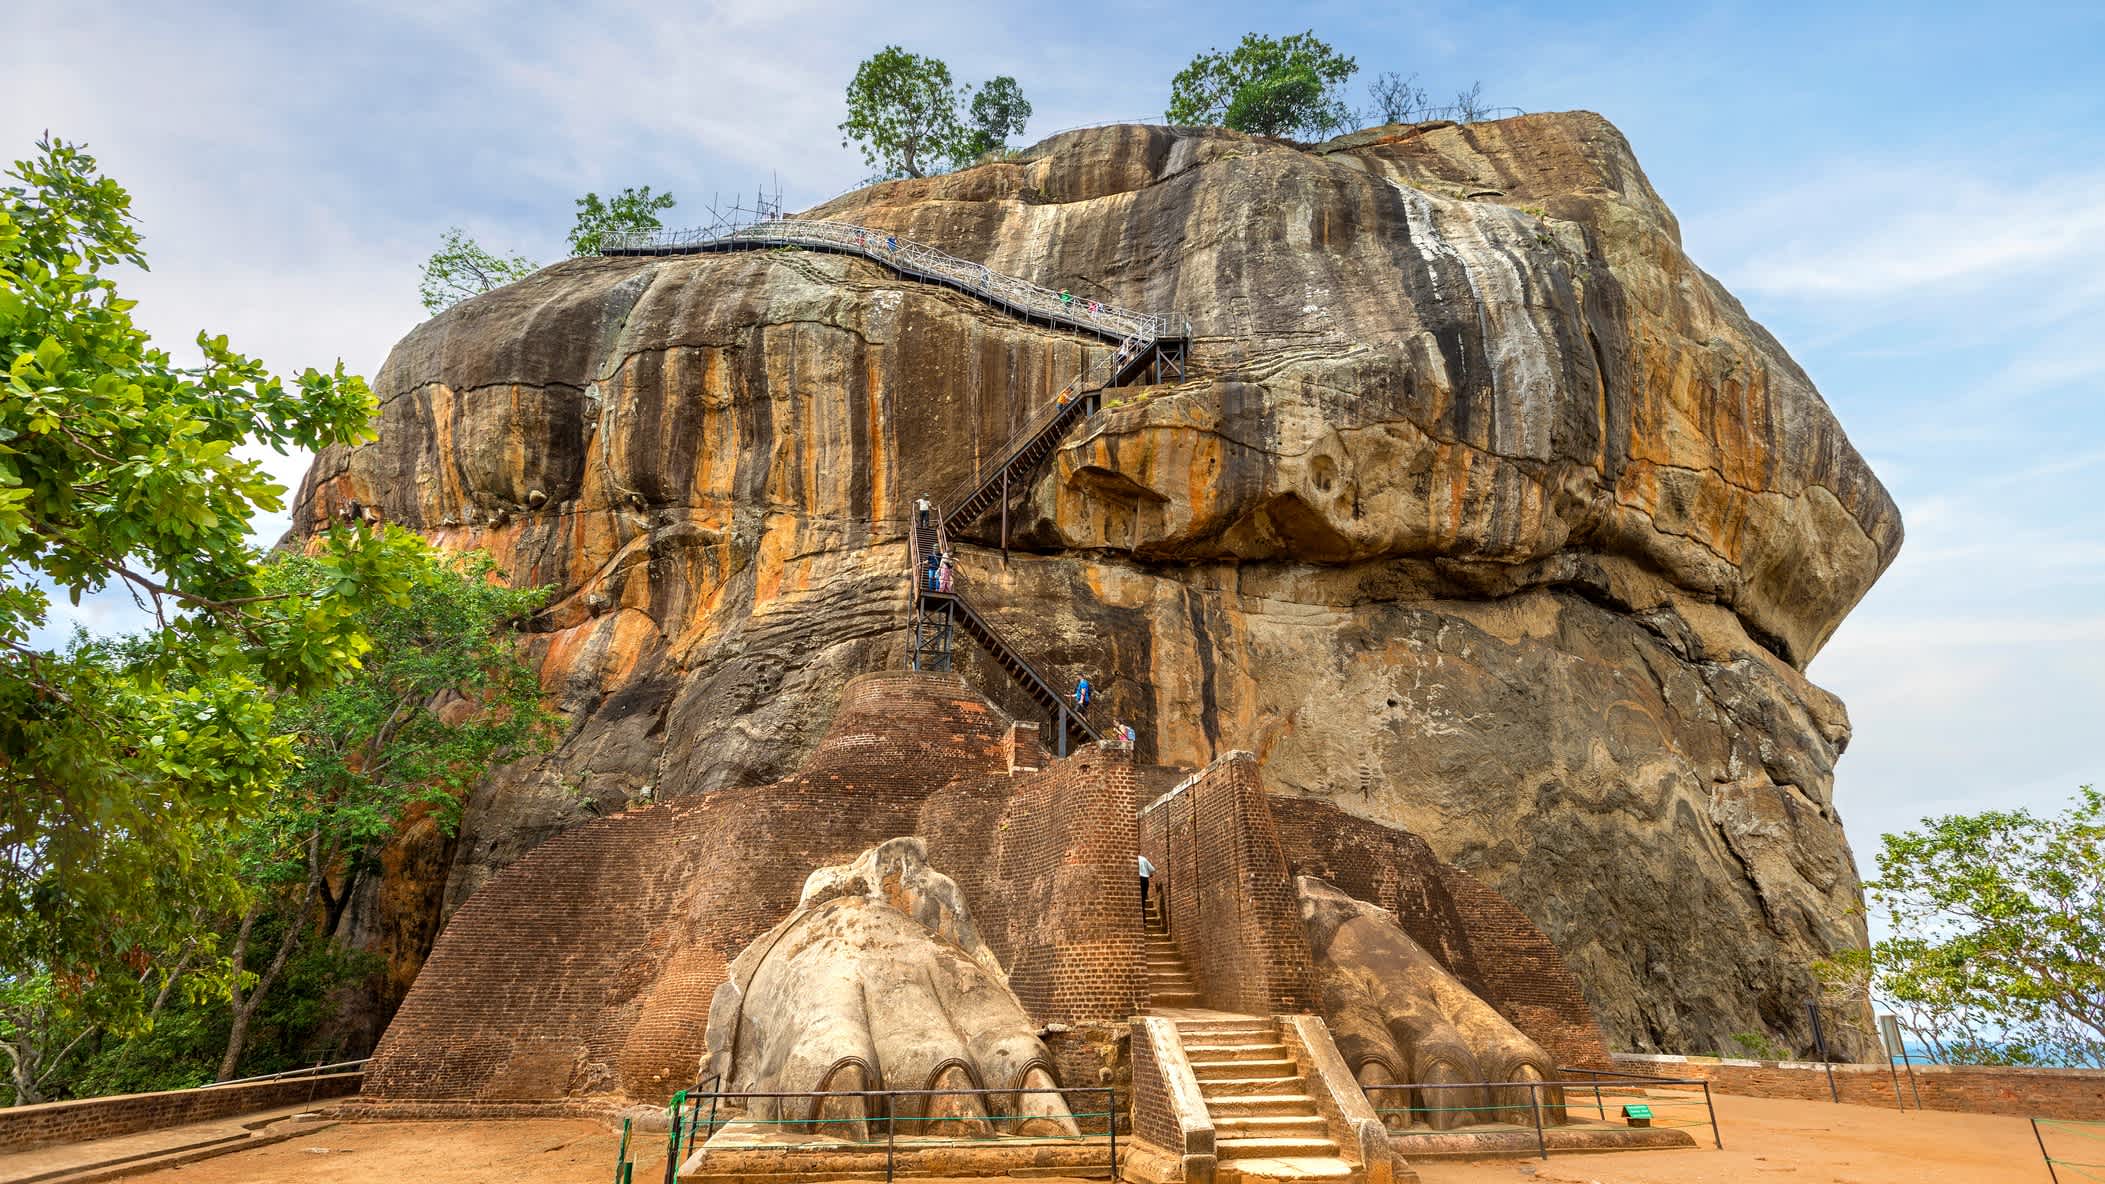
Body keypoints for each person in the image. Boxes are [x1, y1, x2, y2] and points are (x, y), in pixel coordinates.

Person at [1137, 853, 1156, 921]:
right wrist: (1149, 874)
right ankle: (1144, 919)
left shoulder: (1133, 860)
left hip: (1138, 879)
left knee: (1138, 900)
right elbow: (1152, 869)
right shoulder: (1144, 859)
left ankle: (1141, 918)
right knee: (1143, 899)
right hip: (1145, 880)